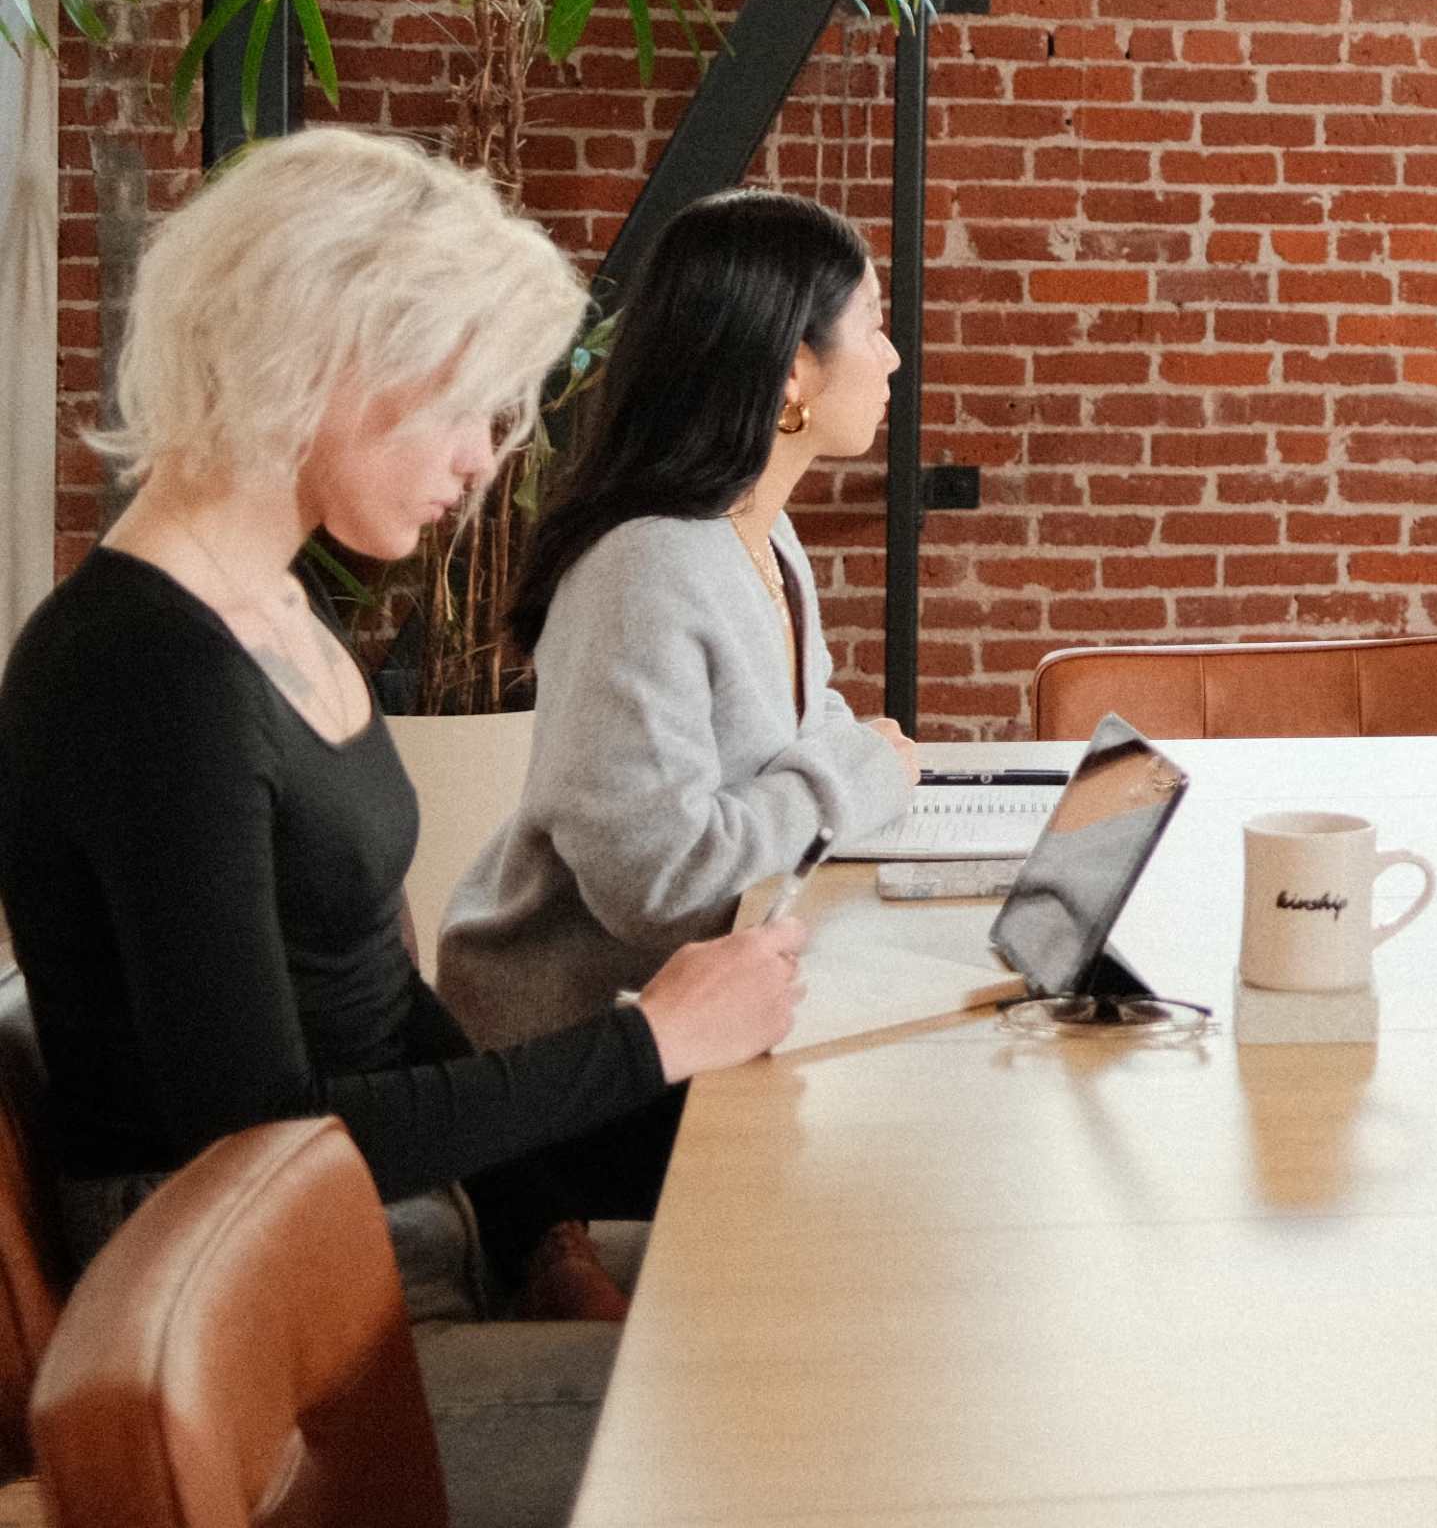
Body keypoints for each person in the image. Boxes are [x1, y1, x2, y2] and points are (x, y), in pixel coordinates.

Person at [0, 129, 805, 1330]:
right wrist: (652, 1042)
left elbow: (381, 1004)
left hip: (388, 1219)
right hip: (248, 1300)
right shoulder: (143, 673)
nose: (483, 464)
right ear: (332, 357)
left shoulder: (279, 604)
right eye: (466, 411)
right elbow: (258, 1130)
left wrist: (548, 1235)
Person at [441, 191, 918, 1166]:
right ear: (793, 366)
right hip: (577, 1074)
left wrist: (840, 760)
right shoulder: (646, 566)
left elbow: (801, 730)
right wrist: (863, 771)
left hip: (700, 1020)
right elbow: (663, 884)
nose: (894, 358)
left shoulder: (763, 536)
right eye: (873, 324)